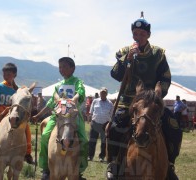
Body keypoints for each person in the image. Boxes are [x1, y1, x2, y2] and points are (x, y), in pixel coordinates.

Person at [105, 12, 181, 179]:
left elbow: (166, 77)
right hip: (129, 101)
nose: (138, 36)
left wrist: (158, 92)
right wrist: (126, 59)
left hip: (152, 101)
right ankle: (114, 163)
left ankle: (169, 163)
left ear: (148, 35)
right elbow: (116, 75)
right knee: (114, 128)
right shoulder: (125, 52)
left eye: (142, 34)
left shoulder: (158, 54)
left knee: (174, 127)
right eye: (135, 34)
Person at [33, 57, 88, 180]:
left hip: (73, 115)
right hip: (57, 115)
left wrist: (75, 98)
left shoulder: (77, 82)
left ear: (72, 68)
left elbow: (81, 92)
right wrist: (38, 115)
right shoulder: (58, 86)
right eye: (60, 67)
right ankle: (46, 168)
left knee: (84, 140)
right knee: (45, 136)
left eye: (64, 66)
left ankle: (78, 169)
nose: (61, 69)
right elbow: (51, 103)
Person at [0, 63, 34, 168]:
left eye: (8, 73)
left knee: (27, 129)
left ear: (14, 74)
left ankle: (27, 154)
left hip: (14, 115)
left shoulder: (18, 90)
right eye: (4, 73)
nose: (6, 75)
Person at [88, 87, 113, 162]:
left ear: (106, 94)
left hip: (104, 125)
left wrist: (109, 124)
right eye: (102, 92)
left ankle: (101, 157)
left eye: (104, 92)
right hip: (95, 123)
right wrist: (90, 121)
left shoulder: (110, 104)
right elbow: (91, 112)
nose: (103, 94)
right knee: (92, 141)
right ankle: (90, 156)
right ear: (99, 93)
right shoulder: (95, 101)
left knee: (103, 142)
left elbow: (111, 115)